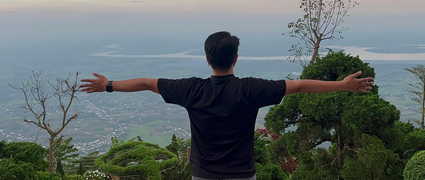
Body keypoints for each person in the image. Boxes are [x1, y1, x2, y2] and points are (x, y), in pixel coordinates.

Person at [79, 31, 373, 180]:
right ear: (235, 58)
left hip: (203, 174)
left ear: (208, 59)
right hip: (242, 174)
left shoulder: (191, 89)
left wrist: (108, 85)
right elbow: (299, 86)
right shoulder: (251, 90)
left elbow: (145, 82)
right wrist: (343, 85)